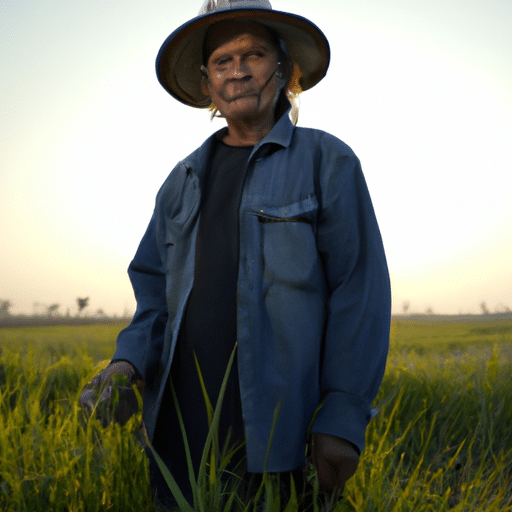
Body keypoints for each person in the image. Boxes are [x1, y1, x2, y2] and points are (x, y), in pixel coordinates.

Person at [79, 0, 391, 509]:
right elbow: (154, 294)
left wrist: (342, 415)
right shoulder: (181, 181)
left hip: (281, 436)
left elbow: (359, 291)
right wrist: (126, 363)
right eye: (222, 61)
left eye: (254, 55)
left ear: (285, 70)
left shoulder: (326, 161)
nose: (238, 71)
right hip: (179, 434)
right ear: (207, 84)